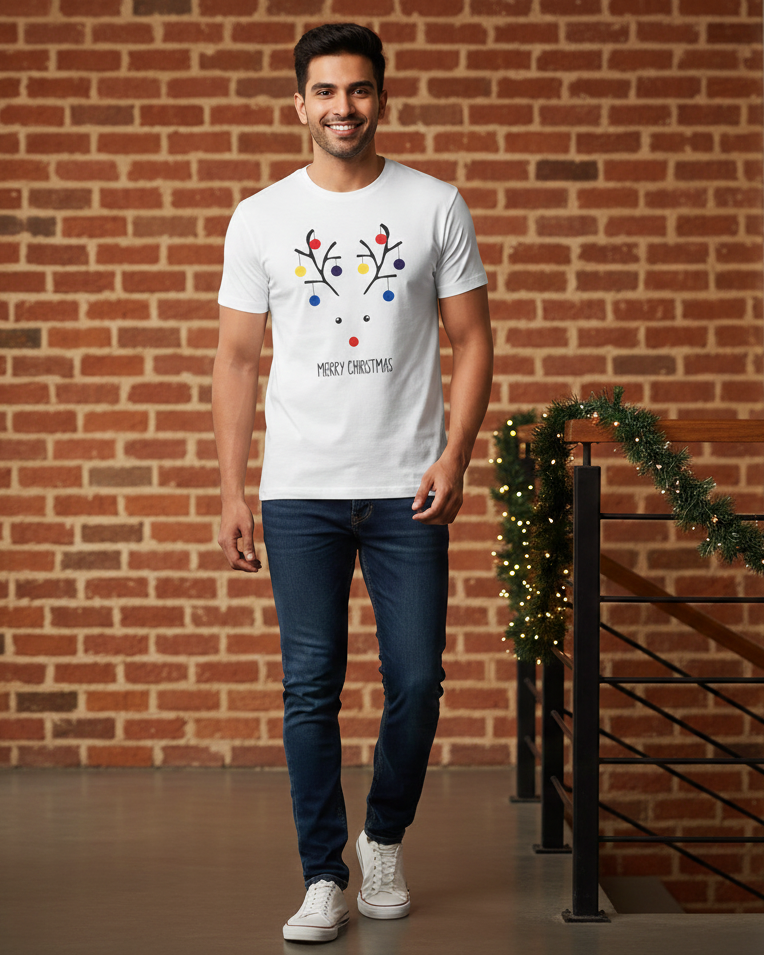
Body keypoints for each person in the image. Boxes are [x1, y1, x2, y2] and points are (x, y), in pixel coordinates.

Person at [212, 23, 493, 944]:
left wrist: (455, 454)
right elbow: (238, 358)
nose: (344, 107)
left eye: (360, 90)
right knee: (311, 684)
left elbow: (472, 340)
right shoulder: (260, 217)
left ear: (383, 96)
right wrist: (230, 488)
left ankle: (383, 836)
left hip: (409, 484)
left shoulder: (435, 204)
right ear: (299, 104)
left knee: (417, 677)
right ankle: (323, 874)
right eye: (326, 91)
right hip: (300, 490)